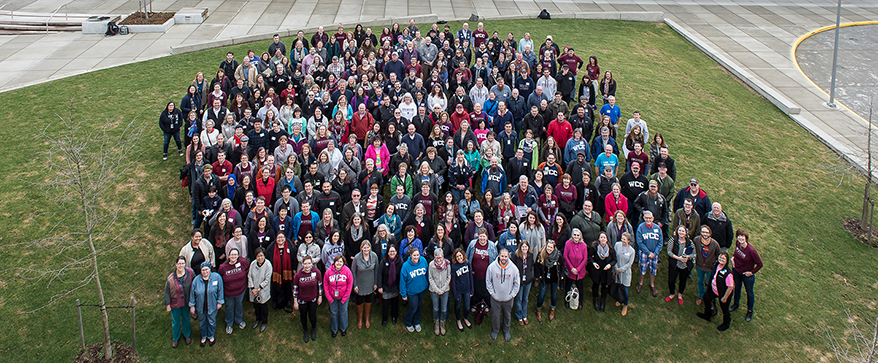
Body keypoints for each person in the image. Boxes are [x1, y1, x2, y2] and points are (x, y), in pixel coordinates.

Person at [486, 248, 520, 342]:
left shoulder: (514, 269)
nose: (504, 258)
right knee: (495, 316)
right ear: (499, 256)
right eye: (502, 256)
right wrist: (493, 294)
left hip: (508, 299)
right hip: (495, 298)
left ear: (508, 257)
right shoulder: (492, 267)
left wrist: (512, 295)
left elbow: (517, 284)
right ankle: (495, 330)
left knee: (507, 316)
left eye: (506, 256)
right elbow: (488, 281)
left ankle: (506, 331)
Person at [696, 252, 734, 332]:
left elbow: (730, 287)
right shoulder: (716, 265)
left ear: (726, 261)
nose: (721, 259)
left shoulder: (728, 273)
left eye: (723, 258)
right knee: (706, 298)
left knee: (725, 309)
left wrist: (725, 297)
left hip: (723, 294)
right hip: (713, 290)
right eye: (720, 257)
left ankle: (726, 324)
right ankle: (707, 315)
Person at [730, 229, 762, 322]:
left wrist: (751, 272)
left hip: (746, 275)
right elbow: (736, 252)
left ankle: (750, 310)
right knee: (737, 287)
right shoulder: (737, 243)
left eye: (742, 237)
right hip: (737, 271)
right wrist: (733, 258)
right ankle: (736, 303)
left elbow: (760, 264)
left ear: (746, 238)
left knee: (749, 292)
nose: (740, 238)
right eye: (739, 236)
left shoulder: (751, 251)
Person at [189, 261, 223, 347]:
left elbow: (220, 290)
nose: (205, 272)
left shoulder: (217, 277)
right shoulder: (196, 280)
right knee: (202, 323)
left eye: (206, 269)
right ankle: (204, 336)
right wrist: (192, 305)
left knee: (211, 321)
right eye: (203, 270)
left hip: (212, 305)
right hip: (200, 307)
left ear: (210, 269)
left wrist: (220, 302)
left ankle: (211, 336)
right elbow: (192, 294)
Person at [164, 256, 194, 348]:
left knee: (186, 319)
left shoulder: (190, 272)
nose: (181, 265)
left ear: (185, 264)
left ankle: (187, 335)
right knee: (176, 321)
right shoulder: (170, 279)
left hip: (186, 302)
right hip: (175, 303)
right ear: (176, 264)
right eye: (179, 263)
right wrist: (168, 305)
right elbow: (167, 292)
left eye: (182, 263)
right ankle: (176, 338)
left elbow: (195, 283)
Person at [218, 248, 250, 335]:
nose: (233, 256)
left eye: (235, 255)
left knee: (239, 305)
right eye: (232, 255)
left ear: (238, 256)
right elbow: (219, 277)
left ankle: (239, 320)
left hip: (241, 291)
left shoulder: (243, 262)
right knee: (229, 307)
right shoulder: (223, 267)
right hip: (229, 293)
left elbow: (247, 268)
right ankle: (229, 323)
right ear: (228, 256)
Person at [293, 255, 323, 342]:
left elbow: (319, 286)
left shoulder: (317, 272)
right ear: (302, 264)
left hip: (313, 299)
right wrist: (295, 301)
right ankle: (305, 330)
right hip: (302, 300)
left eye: (309, 263)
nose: (307, 266)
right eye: (305, 264)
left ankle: (313, 328)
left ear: (312, 263)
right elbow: (295, 289)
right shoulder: (298, 275)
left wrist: (320, 297)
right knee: (303, 316)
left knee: (312, 315)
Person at [351, 241, 379, 330]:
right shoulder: (356, 258)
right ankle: (360, 318)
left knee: (368, 299)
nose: (366, 249)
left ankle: (367, 318)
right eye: (364, 247)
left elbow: (376, 271)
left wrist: (375, 283)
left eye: (368, 247)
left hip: (370, 283)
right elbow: (353, 272)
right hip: (360, 283)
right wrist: (355, 285)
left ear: (370, 248)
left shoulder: (374, 256)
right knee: (359, 300)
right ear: (361, 248)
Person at [400, 248, 430, 332]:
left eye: (417, 255)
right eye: (414, 255)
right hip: (411, 291)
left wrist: (428, 285)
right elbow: (402, 281)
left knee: (419, 306)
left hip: (422, 289)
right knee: (413, 307)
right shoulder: (405, 266)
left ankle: (416, 322)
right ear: (410, 256)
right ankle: (408, 322)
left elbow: (427, 273)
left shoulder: (423, 261)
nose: (416, 257)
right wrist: (403, 294)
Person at [635, 210, 663, 297]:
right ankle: (641, 283)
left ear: (653, 218)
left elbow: (660, 242)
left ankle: (652, 284)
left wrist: (655, 253)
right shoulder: (640, 227)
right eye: (646, 218)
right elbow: (639, 242)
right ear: (643, 218)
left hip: (654, 253)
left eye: (650, 218)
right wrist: (648, 252)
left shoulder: (657, 228)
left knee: (653, 269)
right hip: (644, 253)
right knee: (642, 268)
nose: (648, 220)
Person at [324, 255, 353, 337]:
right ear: (334, 262)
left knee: (343, 312)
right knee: (333, 312)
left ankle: (343, 328)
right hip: (332, 297)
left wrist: (345, 298)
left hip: (344, 297)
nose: (339, 263)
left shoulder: (347, 271)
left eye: (341, 261)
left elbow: (350, 285)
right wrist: (329, 298)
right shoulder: (329, 271)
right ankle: (334, 329)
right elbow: (325, 284)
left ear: (343, 263)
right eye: (337, 261)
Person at [666, 225, 695, 306]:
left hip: (685, 265)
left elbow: (694, 254)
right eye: (680, 230)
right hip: (674, 264)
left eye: (683, 231)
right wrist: (678, 258)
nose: (681, 232)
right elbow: (669, 252)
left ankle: (680, 294)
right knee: (671, 280)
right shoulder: (673, 239)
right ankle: (672, 294)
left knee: (683, 280)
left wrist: (688, 257)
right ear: (677, 231)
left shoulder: (689, 242)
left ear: (686, 233)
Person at [267, 233, 295, 312]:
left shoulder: (290, 246)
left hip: (287, 271)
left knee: (287, 286)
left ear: (285, 238)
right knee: (275, 286)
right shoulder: (271, 247)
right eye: (278, 237)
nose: (280, 239)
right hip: (276, 272)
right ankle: (275, 301)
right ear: (276, 239)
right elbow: (268, 258)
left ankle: (288, 300)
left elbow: (293, 258)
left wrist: (294, 268)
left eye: (282, 237)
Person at [588, 233, 616, 312]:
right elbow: (589, 256)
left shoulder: (611, 250)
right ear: (599, 239)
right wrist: (593, 263)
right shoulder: (594, 248)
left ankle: (603, 301)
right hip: (597, 271)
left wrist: (610, 265)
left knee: (604, 286)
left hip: (606, 271)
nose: (603, 239)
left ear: (607, 239)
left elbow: (614, 260)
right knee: (595, 285)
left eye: (604, 237)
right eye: (601, 237)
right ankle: (595, 299)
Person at [247, 247, 272, 332]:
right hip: (253, 290)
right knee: (256, 306)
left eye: (261, 255)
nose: (260, 258)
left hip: (262, 290)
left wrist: (258, 289)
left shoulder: (268, 265)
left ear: (264, 255)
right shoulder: (253, 264)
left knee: (263, 306)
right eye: (258, 256)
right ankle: (257, 319)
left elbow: (267, 279)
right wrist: (252, 288)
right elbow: (249, 276)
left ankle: (264, 321)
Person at [694, 225, 720, 306]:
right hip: (699, 266)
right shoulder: (696, 240)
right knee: (700, 281)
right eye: (703, 232)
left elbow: (718, 256)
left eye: (706, 232)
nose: (705, 234)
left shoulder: (715, 244)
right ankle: (701, 296)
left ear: (710, 233)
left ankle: (710, 298)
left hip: (710, 268)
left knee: (711, 283)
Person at [428, 248, 452, 336]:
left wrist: (443, 288)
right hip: (434, 290)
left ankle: (442, 322)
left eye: (440, 258)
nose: (439, 260)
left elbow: (449, 277)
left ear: (443, 257)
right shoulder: (431, 265)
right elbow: (430, 278)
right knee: (435, 308)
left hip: (445, 290)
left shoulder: (447, 264)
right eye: (437, 258)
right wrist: (437, 290)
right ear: (434, 257)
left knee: (444, 308)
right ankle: (436, 322)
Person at [378, 244, 403, 326]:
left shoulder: (400, 262)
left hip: (395, 286)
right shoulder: (383, 261)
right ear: (387, 253)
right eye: (390, 251)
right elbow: (379, 274)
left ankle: (394, 317)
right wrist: (380, 286)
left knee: (395, 303)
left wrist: (400, 288)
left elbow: (401, 275)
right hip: (385, 286)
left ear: (396, 252)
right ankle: (384, 319)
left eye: (394, 251)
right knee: (385, 305)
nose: (392, 253)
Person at [563, 228, 588, 310]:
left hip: (579, 271)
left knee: (580, 286)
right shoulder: (568, 243)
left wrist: (578, 269)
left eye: (578, 235)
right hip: (570, 269)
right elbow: (565, 256)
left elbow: (584, 259)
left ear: (580, 236)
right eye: (575, 235)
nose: (576, 236)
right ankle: (567, 300)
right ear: (572, 235)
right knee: (568, 285)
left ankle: (580, 301)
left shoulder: (584, 245)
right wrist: (572, 268)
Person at [511, 241, 534, 325]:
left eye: (526, 247)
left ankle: (524, 315)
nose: (524, 248)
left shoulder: (530, 255)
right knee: (518, 299)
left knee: (525, 298)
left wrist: (531, 275)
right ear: (520, 248)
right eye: (523, 247)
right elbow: (512, 267)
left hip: (528, 281)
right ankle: (519, 315)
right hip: (518, 282)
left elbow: (531, 266)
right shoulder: (515, 256)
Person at [613, 232, 635, 316]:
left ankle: (625, 304)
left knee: (625, 290)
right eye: (622, 238)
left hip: (625, 273)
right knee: (619, 287)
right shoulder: (617, 245)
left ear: (628, 241)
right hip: (617, 271)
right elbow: (614, 256)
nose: (622, 240)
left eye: (624, 239)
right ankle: (619, 300)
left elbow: (629, 264)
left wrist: (620, 269)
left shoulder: (632, 251)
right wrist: (616, 267)